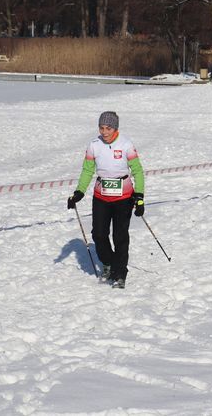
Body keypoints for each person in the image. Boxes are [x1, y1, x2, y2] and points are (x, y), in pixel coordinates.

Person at [67, 111, 145, 289]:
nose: (104, 132)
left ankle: (120, 272)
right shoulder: (94, 145)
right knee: (99, 235)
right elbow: (87, 171)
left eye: (108, 128)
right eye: (101, 128)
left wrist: (139, 196)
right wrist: (79, 192)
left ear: (115, 128)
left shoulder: (126, 145)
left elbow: (138, 172)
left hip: (124, 197)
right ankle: (109, 263)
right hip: (101, 197)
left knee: (120, 236)